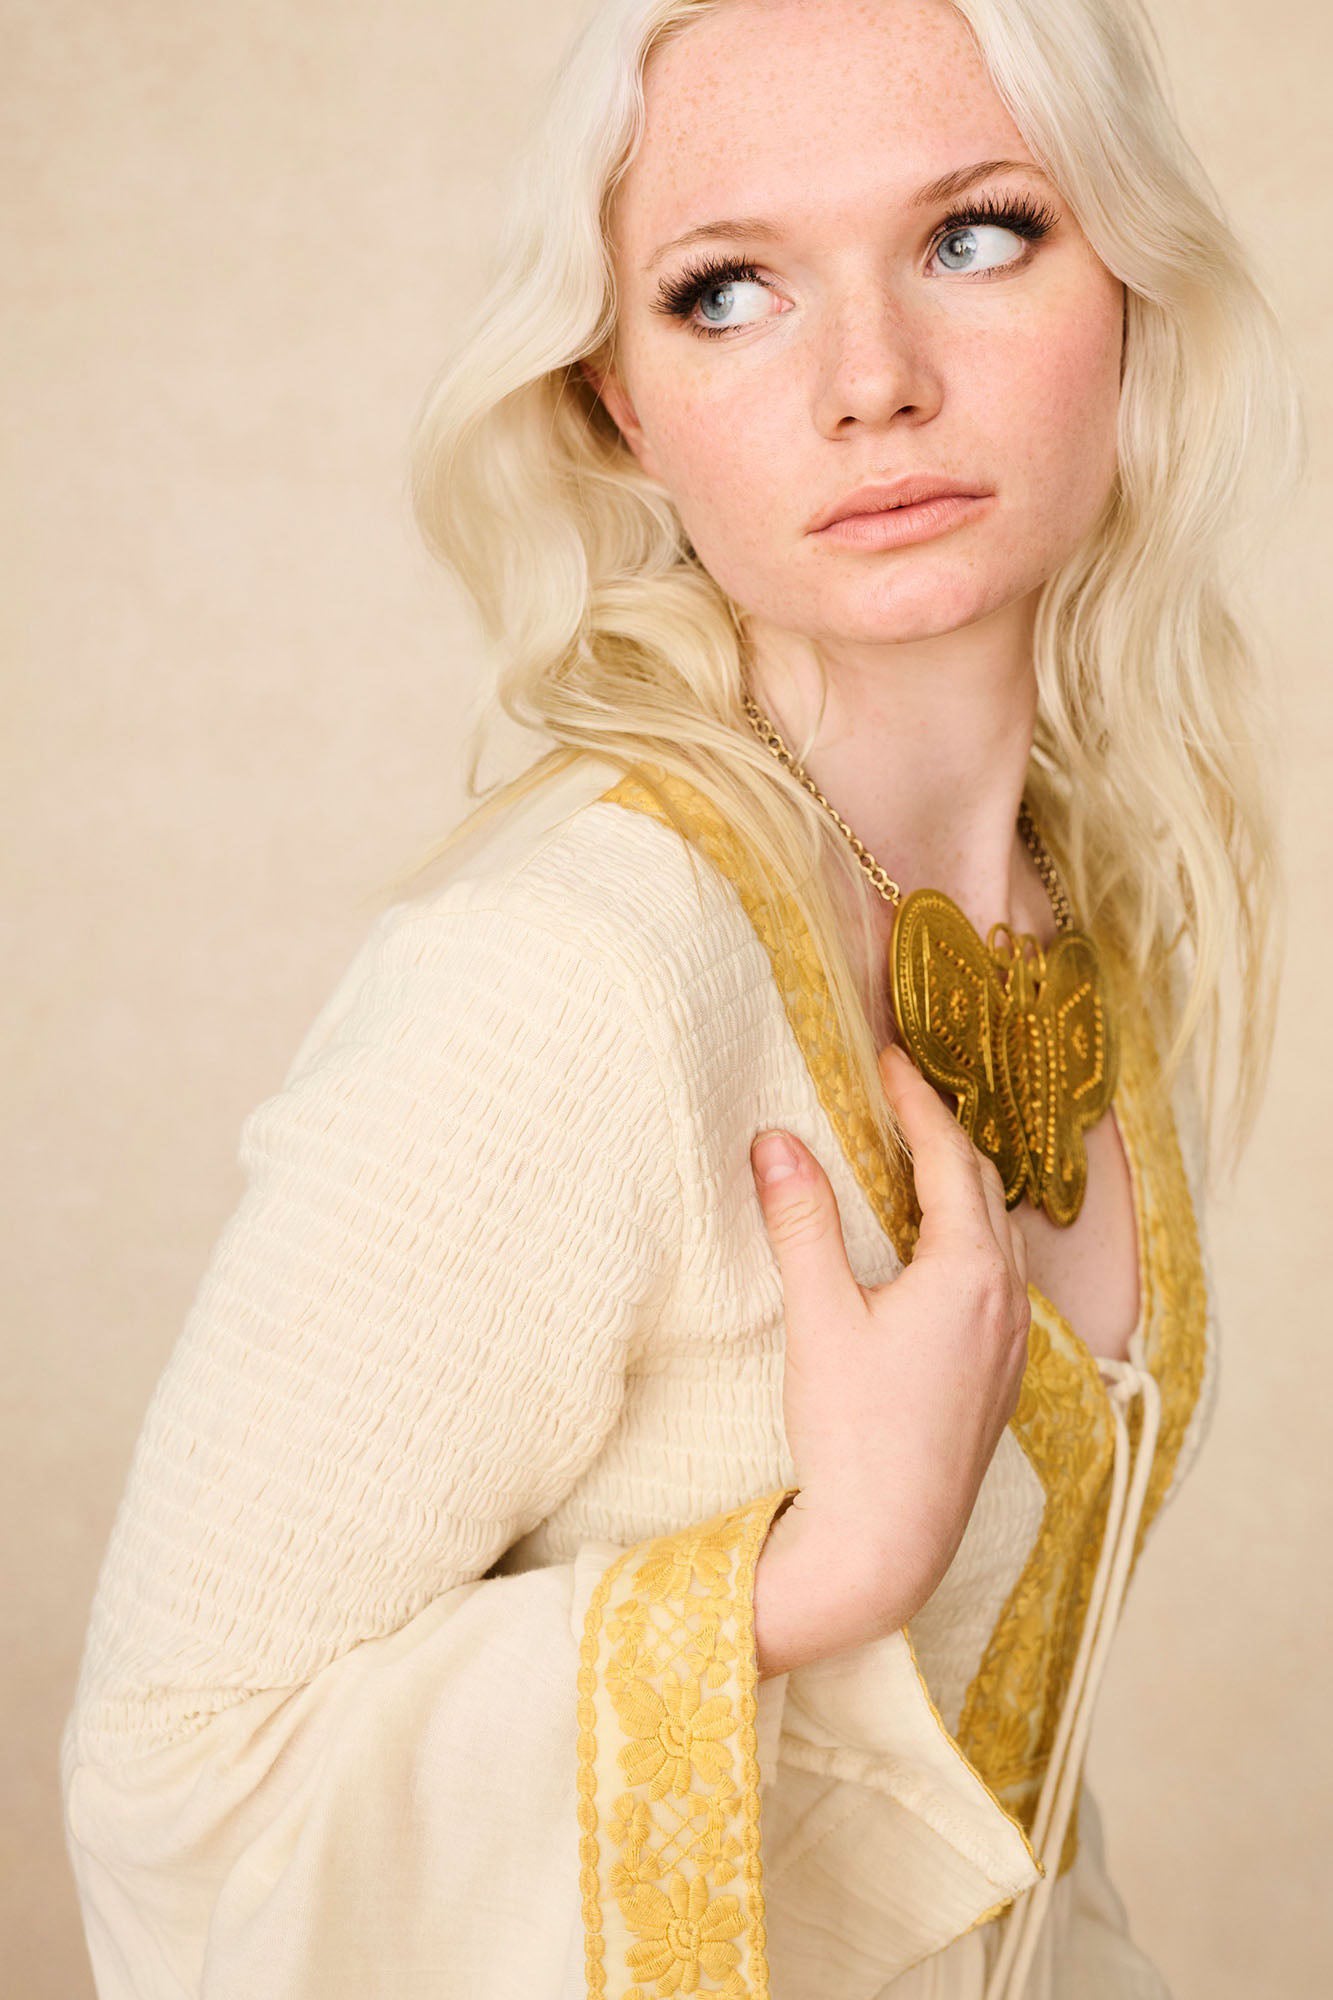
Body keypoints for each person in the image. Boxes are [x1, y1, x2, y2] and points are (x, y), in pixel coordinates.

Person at [59, 2, 1303, 1996]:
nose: (873, 383)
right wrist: (808, 1577)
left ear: (1134, 283)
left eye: (975, 236)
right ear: (618, 399)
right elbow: (176, 1784)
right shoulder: (569, 976)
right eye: (726, 291)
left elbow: (1006, 1797)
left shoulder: (1092, 910)